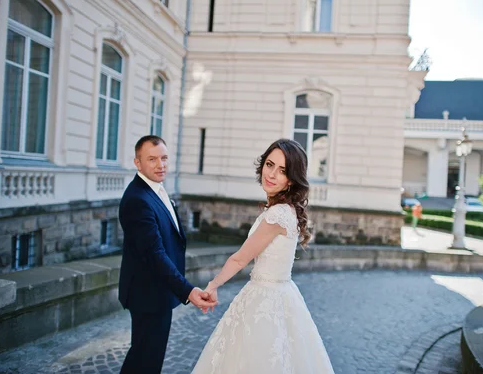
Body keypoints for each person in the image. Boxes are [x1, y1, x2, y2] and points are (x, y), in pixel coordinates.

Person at [191, 138, 335, 374]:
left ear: (291, 179)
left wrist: (213, 285)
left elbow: (240, 258)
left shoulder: (277, 215)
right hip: (281, 292)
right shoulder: (285, 210)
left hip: (265, 298)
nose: (272, 174)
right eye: (270, 165)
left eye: (282, 171)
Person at [118, 135, 216, 374]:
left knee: (146, 357)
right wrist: (188, 290)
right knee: (145, 360)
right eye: (152, 159)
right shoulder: (137, 200)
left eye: (164, 158)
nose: (160, 165)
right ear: (137, 163)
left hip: (158, 292)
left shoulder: (156, 190)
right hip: (147, 295)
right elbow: (154, 255)